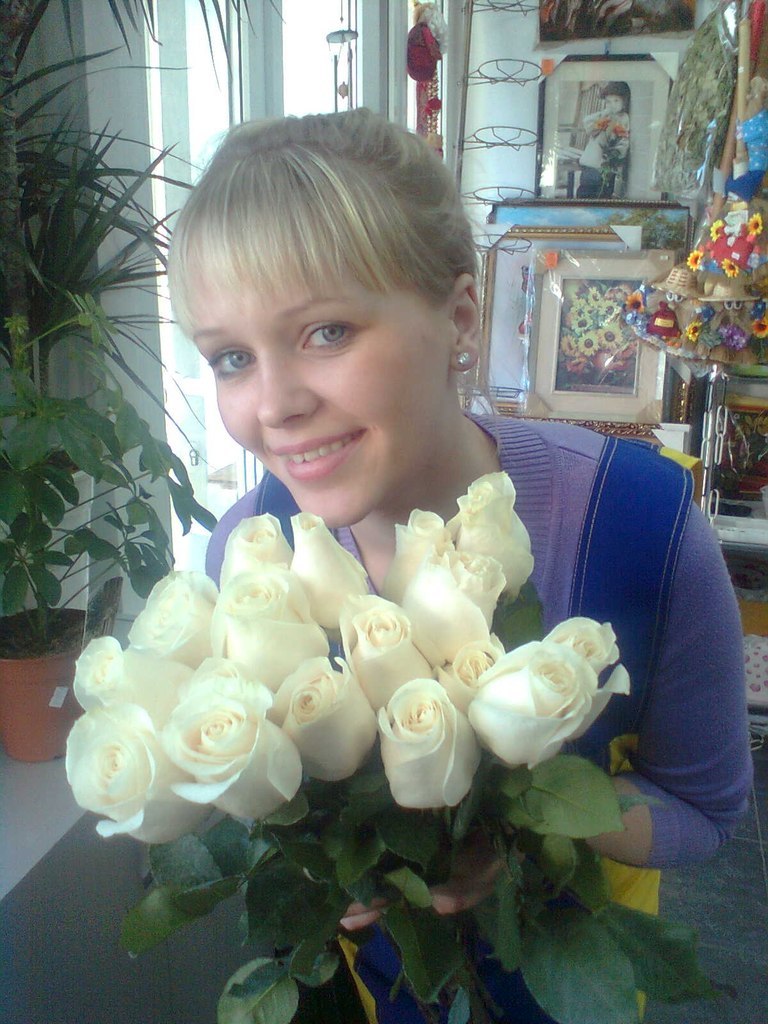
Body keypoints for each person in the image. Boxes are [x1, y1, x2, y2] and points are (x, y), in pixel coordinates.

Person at [167, 107, 753, 1023]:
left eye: (326, 332)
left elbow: (706, 809)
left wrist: (524, 826)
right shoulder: (247, 556)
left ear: (461, 315)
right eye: (232, 357)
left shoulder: (641, 526)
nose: (273, 405)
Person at [576, 81, 630, 199]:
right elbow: (587, 124)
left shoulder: (624, 118)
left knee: (604, 193)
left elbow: (624, 140)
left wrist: (616, 153)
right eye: (608, 101)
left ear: (624, 101)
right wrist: (603, 115)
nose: (612, 105)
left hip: (607, 165)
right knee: (585, 190)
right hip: (590, 163)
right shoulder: (602, 115)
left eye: (616, 101)